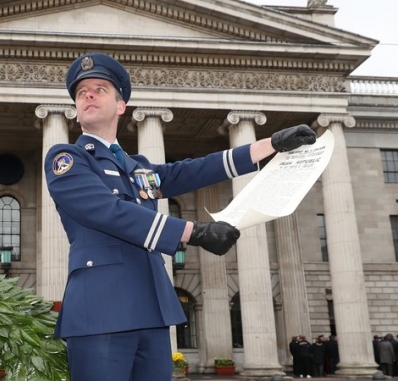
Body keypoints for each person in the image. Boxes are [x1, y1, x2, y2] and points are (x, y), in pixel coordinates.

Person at [44, 52, 317, 381]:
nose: (88, 94)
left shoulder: (136, 166)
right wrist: (193, 232)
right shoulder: (67, 158)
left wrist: (269, 145)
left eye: (100, 88)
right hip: (101, 312)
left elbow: (190, 172)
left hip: (152, 309)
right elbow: (108, 211)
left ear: (120, 106)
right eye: (81, 91)